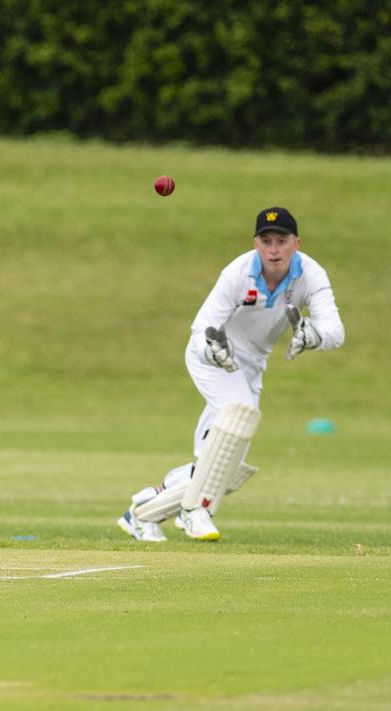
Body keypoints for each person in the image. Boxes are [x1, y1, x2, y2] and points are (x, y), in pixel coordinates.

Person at [117, 207, 344, 542]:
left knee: (225, 459)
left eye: (282, 240)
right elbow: (201, 328)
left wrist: (313, 336)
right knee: (237, 419)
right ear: (256, 243)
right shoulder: (238, 273)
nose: (274, 249)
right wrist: (213, 348)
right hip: (212, 358)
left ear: (297, 242)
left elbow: (335, 331)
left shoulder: (310, 275)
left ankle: (142, 511)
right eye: (266, 241)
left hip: (251, 365)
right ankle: (196, 511)